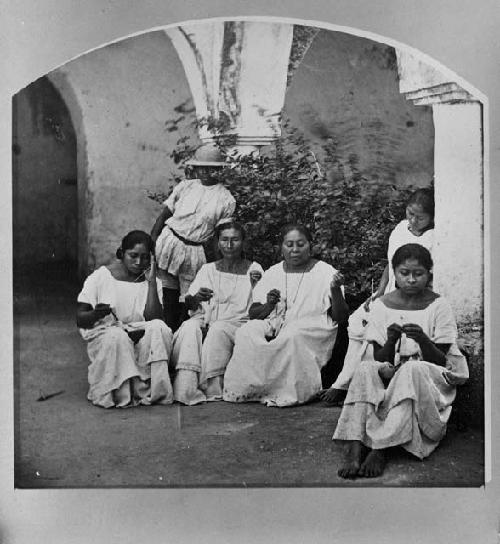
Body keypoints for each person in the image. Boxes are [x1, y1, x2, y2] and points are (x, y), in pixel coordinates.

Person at [333, 244, 468, 479]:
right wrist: (392, 339)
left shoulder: (439, 305)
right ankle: (355, 447)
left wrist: (423, 340)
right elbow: (379, 358)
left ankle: (381, 447)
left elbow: (441, 361)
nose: (412, 279)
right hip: (392, 371)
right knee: (365, 368)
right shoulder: (382, 305)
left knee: (411, 368)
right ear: (394, 273)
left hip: (428, 379)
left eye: (419, 274)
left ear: (429, 275)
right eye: (405, 273)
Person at [319, 187, 435, 405]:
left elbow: (425, 277)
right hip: (389, 290)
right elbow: (390, 265)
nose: (412, 220)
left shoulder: (434, 238)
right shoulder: (400, 229)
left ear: (432, 217)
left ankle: (346, 386)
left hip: (410, 296)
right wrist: (380, 292)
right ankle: (346, 382)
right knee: (356, 320)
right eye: (409, 213)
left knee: (375, 329)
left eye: (420, 217)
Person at [222, 224, 350, 407]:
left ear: (310, 246)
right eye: (289, 245)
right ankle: (249, 390)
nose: (295, 250)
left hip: (312, 325)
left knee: (292, 334)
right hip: (276, 322)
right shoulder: (274, 272)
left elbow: (341, 317)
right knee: (247, 332)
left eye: (300, 244)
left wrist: (335, 289)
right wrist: (270, 304)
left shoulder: (325, 271)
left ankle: (289, 392)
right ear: (281, 248)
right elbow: (254, 313)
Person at [170, 220, 264, 405]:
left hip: (238, 322)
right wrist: (197, 297)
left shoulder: (254, 269)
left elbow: (259, 306)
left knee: (219, 328)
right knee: (189, 328)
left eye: (235, 240)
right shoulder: (208, 269)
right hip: (205, 318)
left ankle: (213, 388)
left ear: (243, 243)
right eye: (224, 240)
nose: (229, 245)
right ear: (218, 243)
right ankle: (185, 389)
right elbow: (190, 303)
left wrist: (256, 286)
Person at [77, 230, 174, 408]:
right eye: (133, 256)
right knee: (117, 336)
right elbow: (81, 319)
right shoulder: (102, 277)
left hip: (139, 333)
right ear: (122, 253)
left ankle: (151, 391)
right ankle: (121, 394)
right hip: (110, 334)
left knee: (159, 327)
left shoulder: (153, 281)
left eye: (145, 258)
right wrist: (97, 313)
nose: (139, 262)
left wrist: (151, 282)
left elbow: (154, 318)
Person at [151, 143, 236, 331]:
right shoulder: (185, 187)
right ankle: (167, 333)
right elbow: (165, 215)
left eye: (211, 168)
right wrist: (154, 239)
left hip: (194, 251)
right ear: (194, 167)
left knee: (189, 297)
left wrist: (220, 263)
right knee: (167, 292)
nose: (205, 172)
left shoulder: (225, 199)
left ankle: (183, 337)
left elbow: (220, 235)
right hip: (169, 242)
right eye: (201, 167)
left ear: (219, 170)